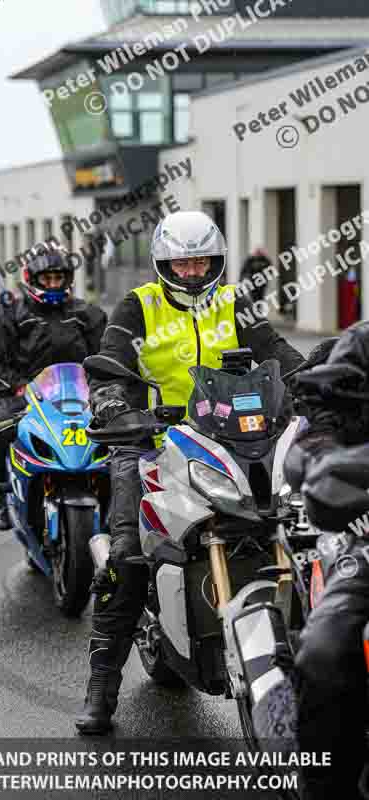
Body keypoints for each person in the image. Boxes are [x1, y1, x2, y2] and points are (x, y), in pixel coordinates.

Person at [76, 210, 305, 735]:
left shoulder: (232, 301)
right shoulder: (138, 306)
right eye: (182, 263)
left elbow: (276, 352)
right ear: (163, 264)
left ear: (218, 260)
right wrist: (113, 402)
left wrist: (313, 378)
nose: (193, 272)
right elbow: (111, 363)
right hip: (152, 439)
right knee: (128, 556)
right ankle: (101, 688)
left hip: (235, 436)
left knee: (293, 523)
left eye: (203, 261)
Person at [281, 325, 369, 800]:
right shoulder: (359, 348)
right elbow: (315, 428)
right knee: (326, 650)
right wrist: (327, 464)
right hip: (366, 528)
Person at [0, 241, 107, 531]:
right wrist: (17, 387)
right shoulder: (10, 314)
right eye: (46, 279)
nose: (52, 284)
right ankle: (1, 490)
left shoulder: (89, 314)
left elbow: (108, 359)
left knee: (126, 438)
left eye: (58, 278)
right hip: (29, 399)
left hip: (83, 398)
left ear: (68, 279)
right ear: (30, 279)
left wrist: (104, 386)